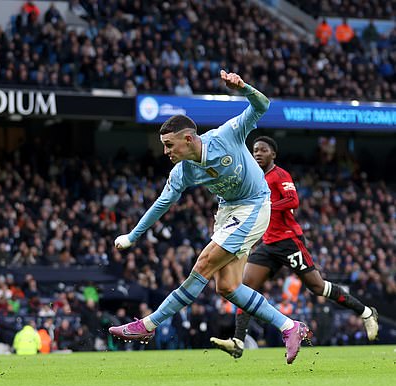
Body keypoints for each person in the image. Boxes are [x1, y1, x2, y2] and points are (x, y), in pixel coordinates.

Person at [109, 70, 310, 364]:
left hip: (254, 205)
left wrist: (244, 88)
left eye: (169, 145)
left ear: (188, 139)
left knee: (202, 265)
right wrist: (132, 236)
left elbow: (262, 105)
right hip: (228, 211)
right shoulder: (183, 170)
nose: (165, 151)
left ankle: (147, 325)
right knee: (227, 287)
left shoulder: (227, 134)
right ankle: (290, 326)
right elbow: (161, 204)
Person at [210, 136, 378, 357]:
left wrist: (267, 204)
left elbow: (293, 200)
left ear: (273, 154)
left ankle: (366, 312)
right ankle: (238, 341)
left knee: (317, 287)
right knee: (245, 286)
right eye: (255, 150)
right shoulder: (254, 178)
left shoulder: (280, 175)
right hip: (268, 243)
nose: (258, 153)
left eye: (263, 150)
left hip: (289, 241)